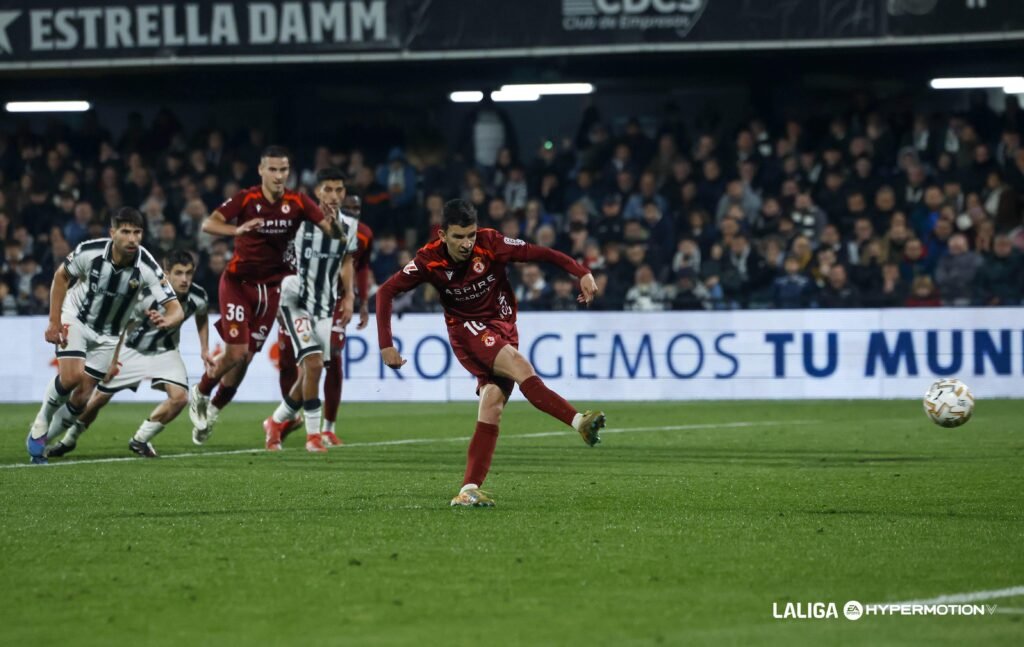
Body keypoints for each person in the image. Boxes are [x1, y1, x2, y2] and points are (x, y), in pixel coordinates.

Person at [375, 199, 606, 508]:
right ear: (442, 235)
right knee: (519, 365)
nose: (467, 243)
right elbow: (386, 292)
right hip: (467, 330)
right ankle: (579, 421)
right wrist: (386, 344)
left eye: (470, 235)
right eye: (458, 237)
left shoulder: (492, 243)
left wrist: (581, 272)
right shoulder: (428, 260)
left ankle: (468, 490)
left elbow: (543, 253)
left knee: (493, 403)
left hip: (503, 327)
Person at [189, 146, 344, 445]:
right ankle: (201, 392)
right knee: (235, 352)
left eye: (283, 170)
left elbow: (333, 234)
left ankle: (214, 409)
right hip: (238, 283)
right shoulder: (246, 198)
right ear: (261, 170)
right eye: (272, 169)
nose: (278, 175)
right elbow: (209, 223)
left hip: (272, 290)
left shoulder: (297, 201)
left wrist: (333, 219)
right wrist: (237, 231)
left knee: (244, 358)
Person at [26, 207, 183, 464]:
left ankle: (43, 443)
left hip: (109, 335)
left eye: (137, 232)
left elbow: (174, 307)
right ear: (113, 233)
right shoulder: (90, 251)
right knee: (72, 377)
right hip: (76, 317)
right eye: (125, 232)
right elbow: (61, 276)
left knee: (83, 396)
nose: (132, 239)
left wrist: (168, 319)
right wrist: (54, 321)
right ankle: (42, 419)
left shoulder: (147, 267)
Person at [47, 250, 211, 458]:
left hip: (166, 352)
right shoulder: (145, 294)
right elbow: (121, 326)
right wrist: (113, 360)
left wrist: (204, 348)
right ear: (166, 273)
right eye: (178, 273)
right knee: (97, 399)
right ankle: (68, 440)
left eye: (189, 273)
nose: (184, 279)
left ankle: (140, 440)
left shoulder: (198, 296)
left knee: (180, 398)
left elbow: (202, 315)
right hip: (131, 350)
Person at [263, 168, 359, 452]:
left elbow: (346, 261)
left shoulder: (349, 226)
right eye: (327, 189)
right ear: (317, 192)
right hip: (294, 300)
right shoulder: (297, 221)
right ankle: (313, 436)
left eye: (338, 190)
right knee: (314, 364)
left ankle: (276, 421)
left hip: (324, 304)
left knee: (311, 371)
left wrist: (350, 296)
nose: (333, 196)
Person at [275, 193, 375, 448]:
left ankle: (325, 428)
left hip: (333, 302)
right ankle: (285, 419)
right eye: (348, 206)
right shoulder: (304, 225)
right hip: (298, 298)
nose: (352, 211)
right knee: (291, 363)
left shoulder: (361, 233)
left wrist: (359, 300)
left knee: (327, 362)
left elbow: (359, 267)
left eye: (357, 207)